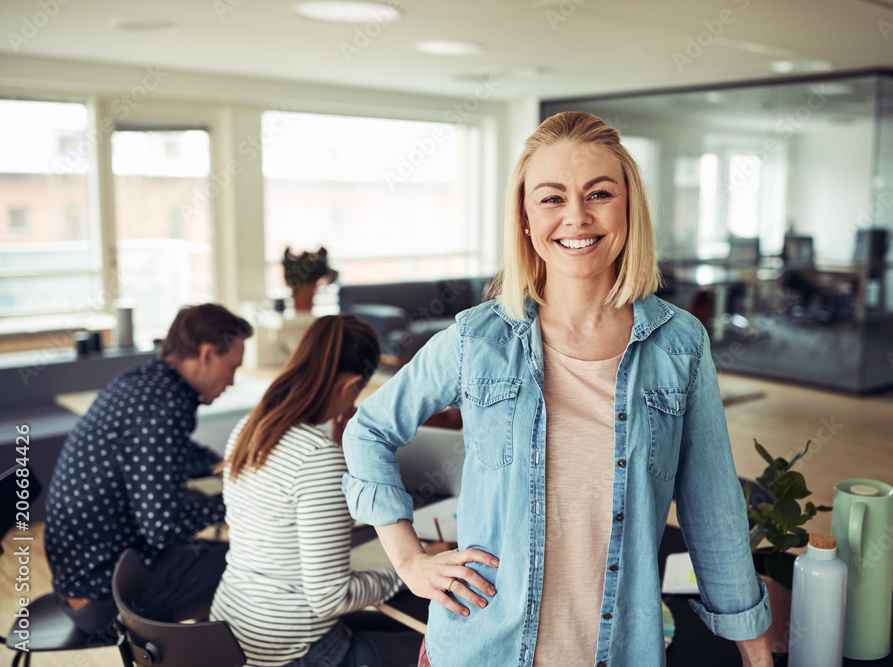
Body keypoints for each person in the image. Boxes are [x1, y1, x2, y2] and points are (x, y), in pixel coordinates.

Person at [342, 111, 773, 667]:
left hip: (621, 650)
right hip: (480, 649)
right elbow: (369, 430)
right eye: (551, 198)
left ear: (628, 208)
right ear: (524, 217)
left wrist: (755, 647)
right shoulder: (479, 338)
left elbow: (712, 500)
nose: (577, 216)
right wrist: (408, 560)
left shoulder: (679, 344)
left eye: (599, 193)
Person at [210, 315, 427, 667]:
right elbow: (330, 598)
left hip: (234, 633)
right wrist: (411, 569)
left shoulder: (250, 429)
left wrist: (340, 452)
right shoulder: (316, 457)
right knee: (441, 650)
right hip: (295, 652)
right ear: (352, 384)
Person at [45, 303, 252, 638]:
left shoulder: (142, 383)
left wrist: (223, 467)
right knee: (252, 568)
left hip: (83, 574)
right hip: (102, 594)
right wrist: (240, 498)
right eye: (232, 368)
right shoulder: (162, 406)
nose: (231, 381)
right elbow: (162, 527)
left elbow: (172, 452)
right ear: (206, 354)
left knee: (218, 553)